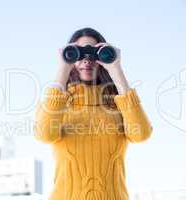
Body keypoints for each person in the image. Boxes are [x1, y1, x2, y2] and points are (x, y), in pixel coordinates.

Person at [33, 27, 153, 200]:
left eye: (94, 54)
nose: (86, 60)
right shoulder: (55, 105)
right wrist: (63, 69)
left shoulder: (117, 105)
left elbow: (141, 135)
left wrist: (116, 69)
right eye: (79, 54)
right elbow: (44, 135)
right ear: (70, 57)